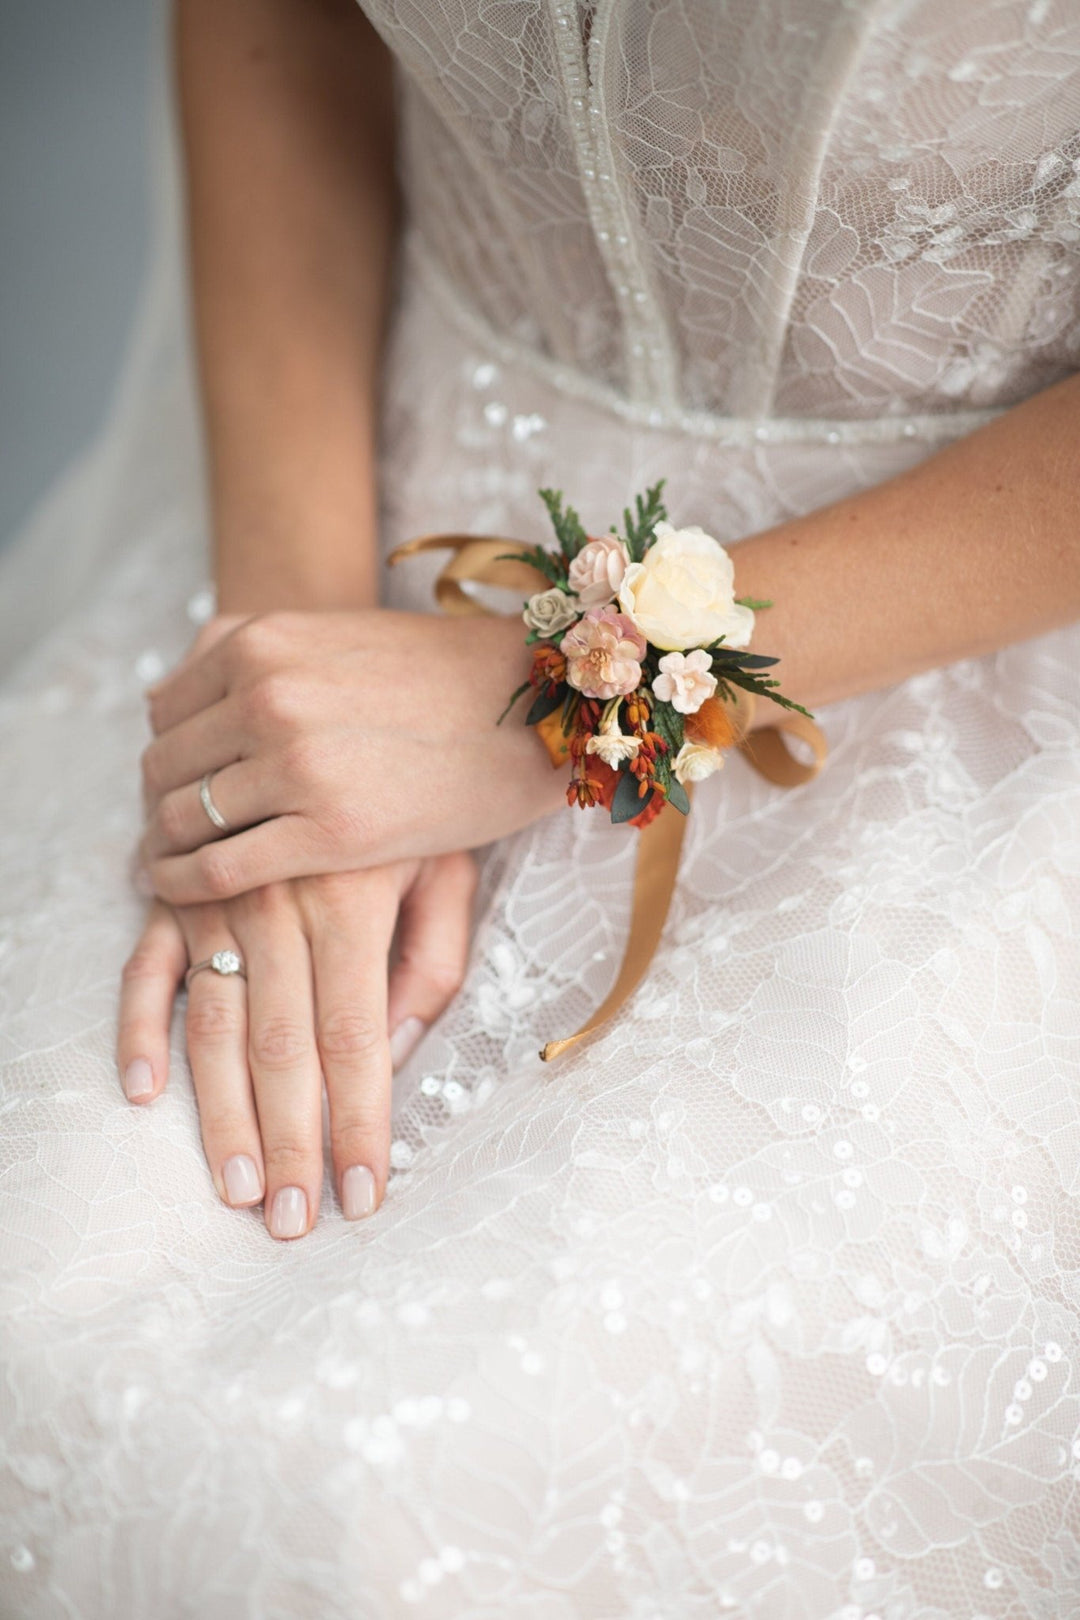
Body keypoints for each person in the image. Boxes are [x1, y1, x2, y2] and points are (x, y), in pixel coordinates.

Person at [2, 1, 1079, 1613]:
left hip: (953, 637)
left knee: (380, 1502)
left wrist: (542, 697)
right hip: (346, 471)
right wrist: (289, 685)